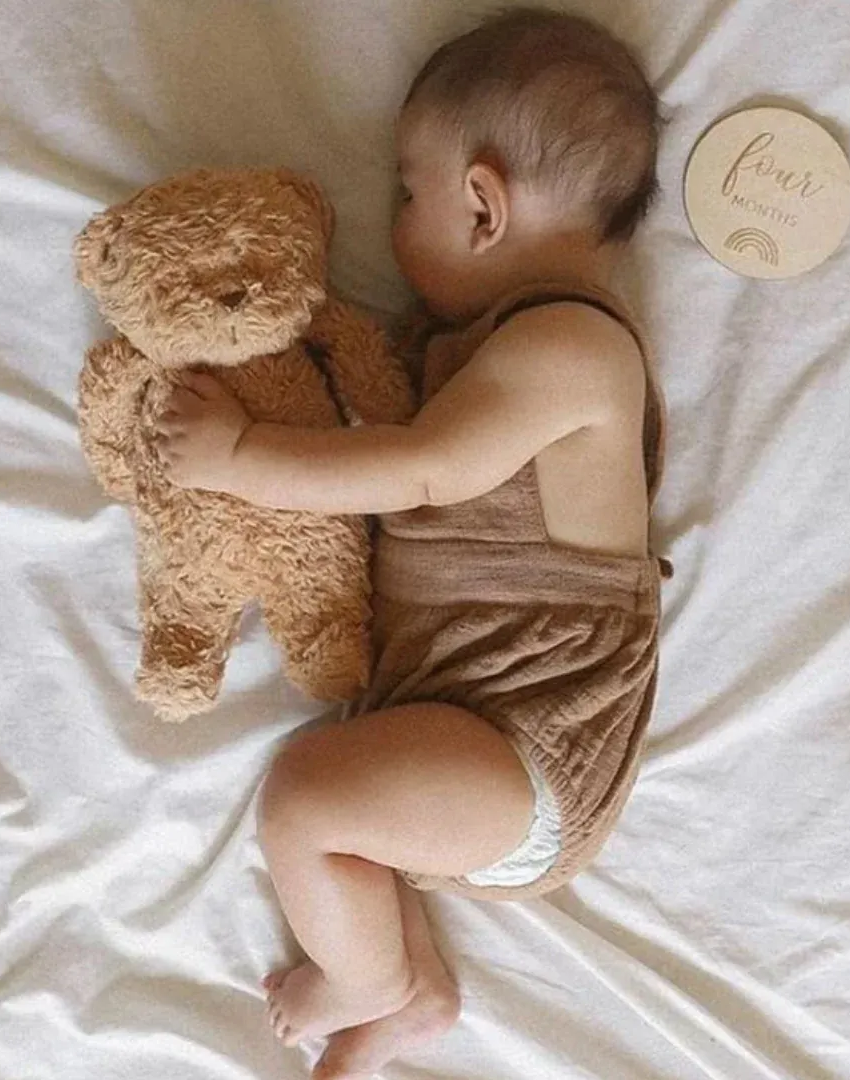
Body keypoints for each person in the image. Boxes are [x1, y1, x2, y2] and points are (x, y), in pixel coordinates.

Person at [155, 8, 667, 1078]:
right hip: (456, 720)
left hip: (529, 751)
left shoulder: (574, 351)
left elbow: (422, 469)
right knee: (353, 790)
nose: (394, 222)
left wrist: (243, 455)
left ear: (483, 205)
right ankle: (417, 990)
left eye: (406, 194)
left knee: (307, 800)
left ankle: (369, 982)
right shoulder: (472, 347)